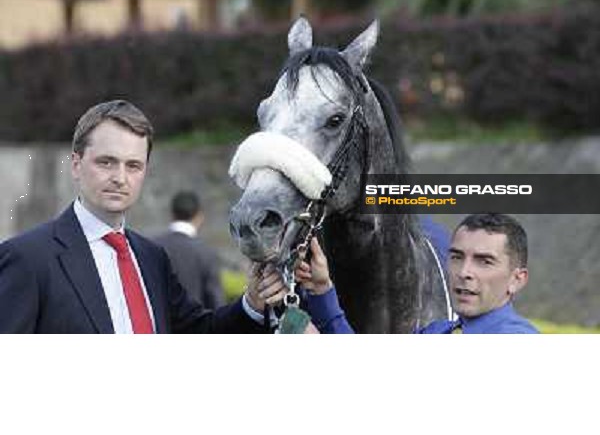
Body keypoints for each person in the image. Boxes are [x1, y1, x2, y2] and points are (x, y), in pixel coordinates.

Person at [0, 100, 285, 333]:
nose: (120, 178)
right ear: (76, 165)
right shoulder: (28, 259)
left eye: (133, 165)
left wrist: (251, 303)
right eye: (106, 162)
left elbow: (199, 333)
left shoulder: (153, 259)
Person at [298, 213, 539, 334]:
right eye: (456, 257)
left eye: (484, 261)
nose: (464, 272)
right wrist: (322, 289)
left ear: (517, 280)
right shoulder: (440, 331)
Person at [154, 191, 224, 310]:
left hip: (157, 325)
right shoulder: (206, 252)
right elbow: (214, 301)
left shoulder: (152, 246)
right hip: (194, 325)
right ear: (199, 216)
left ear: (172, 213)